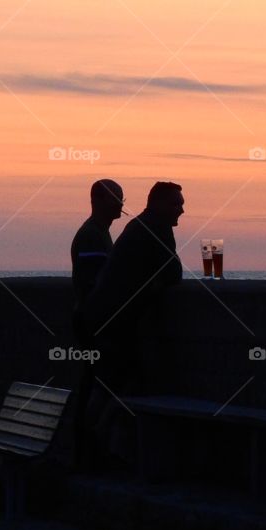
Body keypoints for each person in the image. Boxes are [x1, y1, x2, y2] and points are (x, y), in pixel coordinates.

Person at [76, 181, 184, 465]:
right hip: (114, 322)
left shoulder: (137, 226)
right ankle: (90, 445)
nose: (182, 210)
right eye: (176, 204)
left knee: (112, 384)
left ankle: (99, 447)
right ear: (159, 205)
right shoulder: (155, 228)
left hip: (106, 319)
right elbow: (174, 271)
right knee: (110, 385)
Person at [69, 179, 124, 466]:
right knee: (98, 385)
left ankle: (88, 451)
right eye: (115, 197)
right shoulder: (92, 236)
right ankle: (89, 451)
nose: (121, 203)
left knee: (95, 383)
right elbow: (95, 284)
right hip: (94, 324)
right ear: (97, 199)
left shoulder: (99, 234)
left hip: (92, 321)